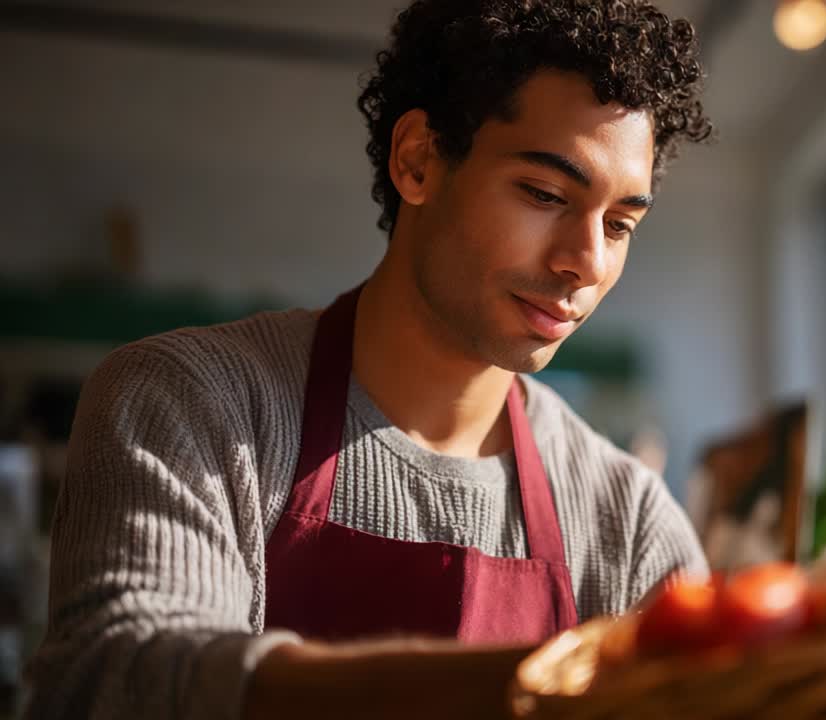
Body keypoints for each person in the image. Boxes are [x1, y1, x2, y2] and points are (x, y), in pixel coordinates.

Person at [24, 1, 713, 717]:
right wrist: (539, 690)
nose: (587, 262)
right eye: (544, 194)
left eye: (620, 223)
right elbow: (125, 673)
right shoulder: (187, 404)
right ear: (417, 159)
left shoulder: (629, 522)